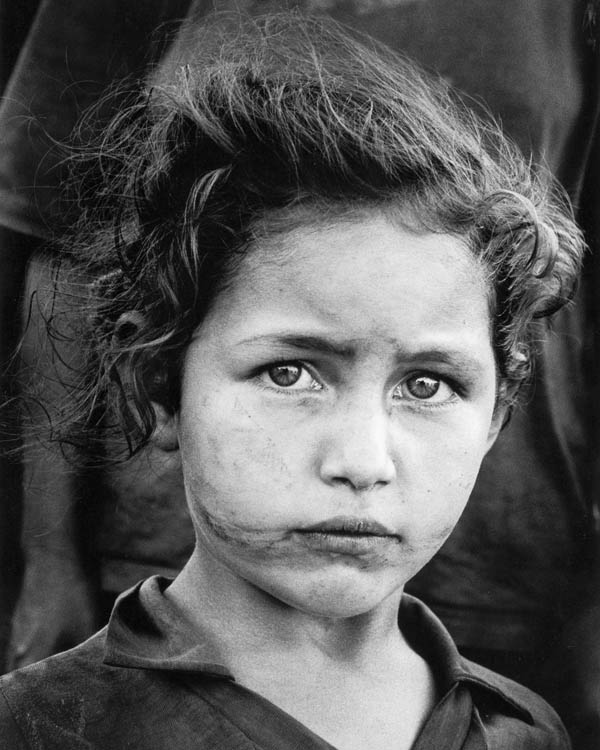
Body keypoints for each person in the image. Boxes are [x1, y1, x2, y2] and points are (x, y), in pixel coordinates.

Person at [0, 12, 583, 748]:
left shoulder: (524, 732)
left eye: (427, 385)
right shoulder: (39, 728)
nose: (362, 463)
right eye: (290, 373)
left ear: (496, 416)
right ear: (158, 382)